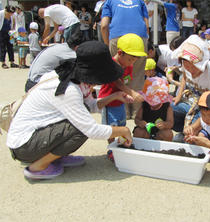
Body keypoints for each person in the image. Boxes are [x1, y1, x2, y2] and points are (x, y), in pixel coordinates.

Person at [7, 41, 134, 180]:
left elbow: (89, 105)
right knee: (80, 129)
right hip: (25, 146)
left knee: (81, 118)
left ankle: (55, 156)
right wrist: (123, 130)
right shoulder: (69, 89)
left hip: (35, 137)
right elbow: (90, 130)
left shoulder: (74, 77)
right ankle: (39, 166)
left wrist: (115, 96)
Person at [101, 0, 149, 119]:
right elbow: (146, 25)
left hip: (117, 37)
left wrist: (107, 45)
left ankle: (124, 112)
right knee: (137, 75)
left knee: (117, 75)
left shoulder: (110, 1)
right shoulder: (140, 1)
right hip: (139, 37)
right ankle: (137, 113)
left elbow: (104, 26)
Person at [171, 35, 210, 142]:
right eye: (187, 66)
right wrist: (178, 96)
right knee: (168, 107)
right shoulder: (186, 63)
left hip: (206, 109)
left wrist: (194, 127)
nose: (191, 71)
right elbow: (184, 75)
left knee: (192, 136)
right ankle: (182, 130)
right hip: (191, 100)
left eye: (194, 67)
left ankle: (191, 133)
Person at [98, 34, 146, 132]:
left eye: (134, 61)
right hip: (109, 103)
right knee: (111, 128)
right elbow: (118, 82)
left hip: (120, 103)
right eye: (130, 59)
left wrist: (127, 95)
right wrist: (131, 93)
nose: (131, 63)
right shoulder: (111, 65)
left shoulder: (129, 66)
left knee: (121, 123)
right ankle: (112, 147)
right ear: (120, 53)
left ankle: (120, 144)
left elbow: (126, 82)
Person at [133, 77, 174, 141]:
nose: (153, 104)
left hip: (159, 131)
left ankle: (162, 148)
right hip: (145, 129)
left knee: (168, 134)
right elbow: (137, 119)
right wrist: (140, 123)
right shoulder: (144, 105)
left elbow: (170, 123)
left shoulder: (167, 107)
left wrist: (165, 124)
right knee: (138, 132)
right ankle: (141, 147)